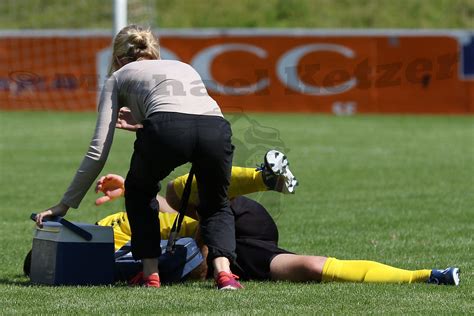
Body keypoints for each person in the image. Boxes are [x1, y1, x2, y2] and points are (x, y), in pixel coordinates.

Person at [35, 24, 241, 289]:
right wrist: (148, 124)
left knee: (139, 192)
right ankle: (224, 274)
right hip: (216, 128)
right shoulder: (183, 66)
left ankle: (150, 274)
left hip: (167, 129)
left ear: (119, 58)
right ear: (154, 52)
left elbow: (97, 152)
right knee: (216, 202)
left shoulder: (118, 76)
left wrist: (64, 205)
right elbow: (192, 116)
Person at [92, 150, 460, 286]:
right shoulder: (114, 250)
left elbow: (167, 206)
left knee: (179, 190)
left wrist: (130, 189)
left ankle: (262, 178)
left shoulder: (121, 224)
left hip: (230, 216)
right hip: (238, 253)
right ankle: (429, 274)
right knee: (314, 268)